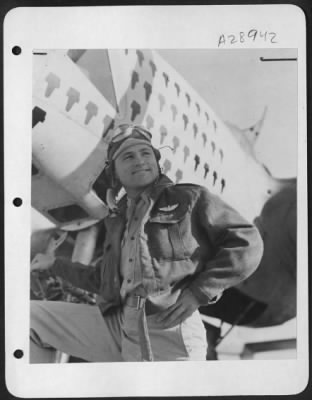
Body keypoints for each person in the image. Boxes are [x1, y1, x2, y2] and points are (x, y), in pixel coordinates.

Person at [30, 124, 263, 362]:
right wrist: (53, 264)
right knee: (27, 319)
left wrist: (200, 292)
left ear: (156, 161)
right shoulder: (117, 221)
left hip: (170, 329)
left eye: (146, 154)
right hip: (120, 325)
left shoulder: (189, 198)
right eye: (128, 156)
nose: (139, 160)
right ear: (115, 173)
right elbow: (102, 280)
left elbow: (246, 241)